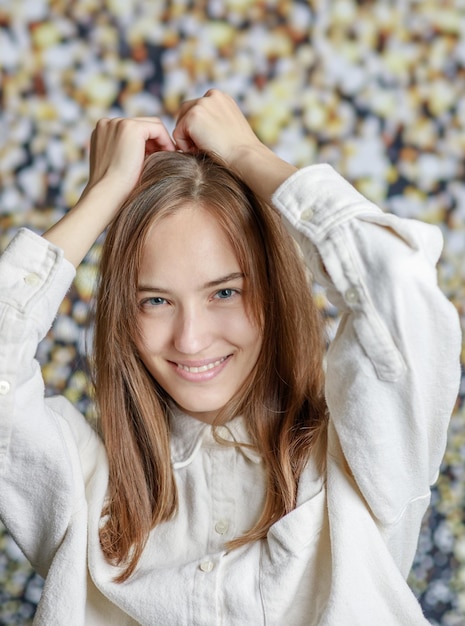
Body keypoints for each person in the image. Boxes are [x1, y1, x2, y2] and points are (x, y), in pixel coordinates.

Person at [0, 89, 461, 626]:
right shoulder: (82, 490)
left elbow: (398, 281)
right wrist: (101, 196)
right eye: (155, 301)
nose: (191, 340)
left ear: (271, 291)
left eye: (225, 292)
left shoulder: (361, 458)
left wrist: (248, 155)